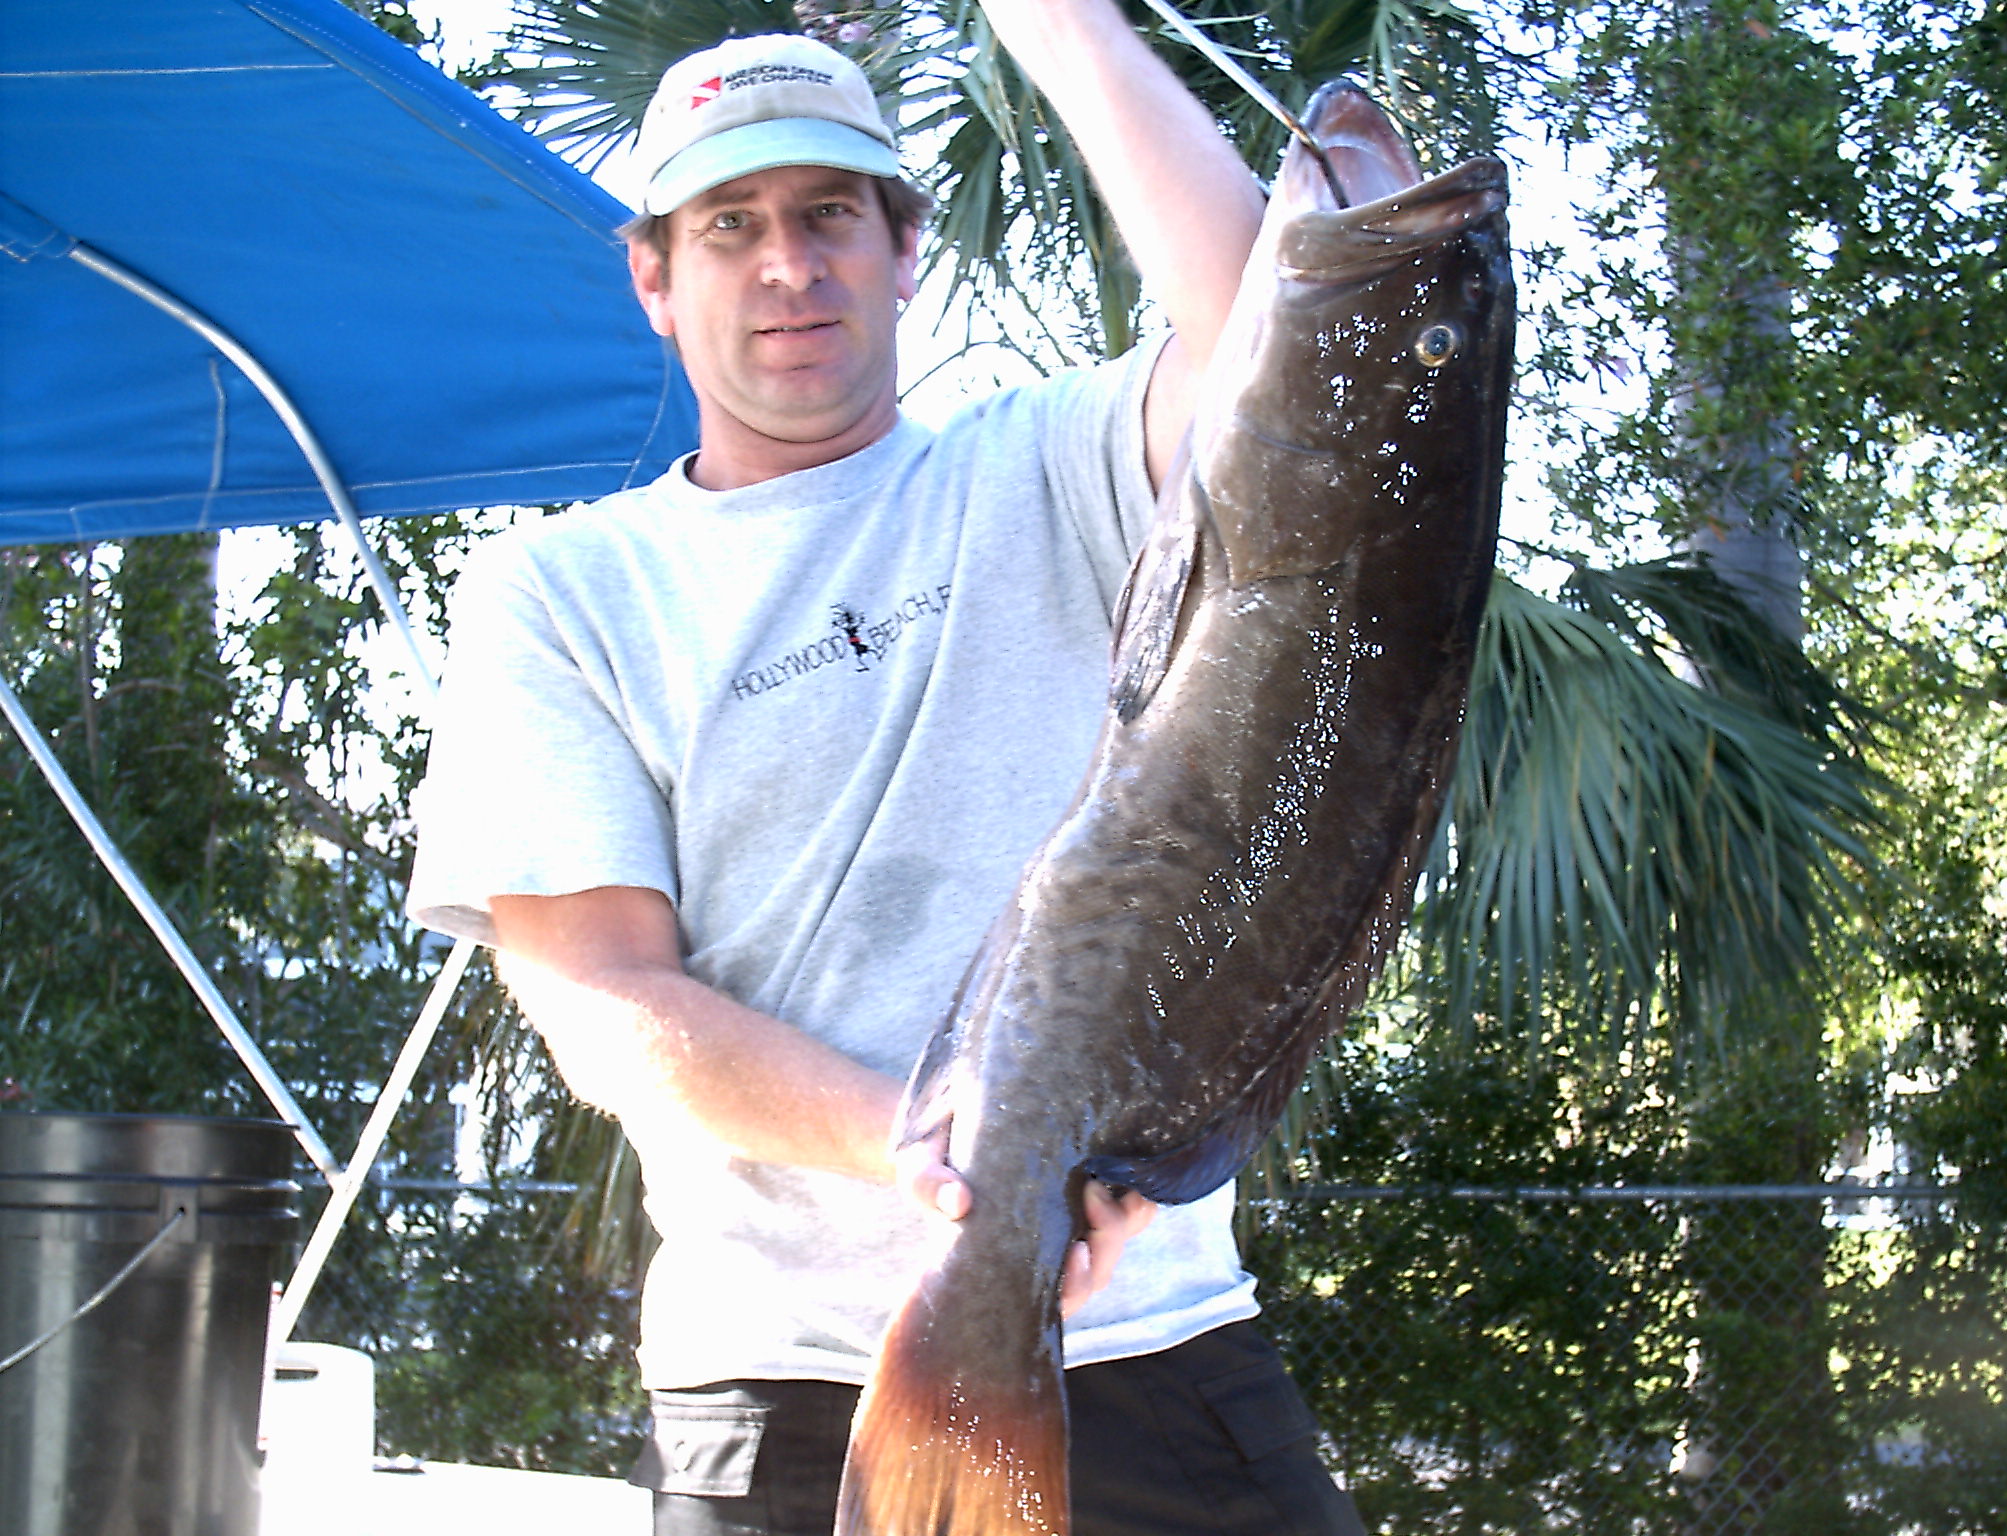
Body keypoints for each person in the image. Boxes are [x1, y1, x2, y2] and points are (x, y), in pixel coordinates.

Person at [407, 6, 1365, 1533]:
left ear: (904, 246)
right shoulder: (563, 594)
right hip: (783, 1387)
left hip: (1151, 1340)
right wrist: (957, 1166)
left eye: (830, 214)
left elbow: (1292, 332)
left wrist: (1065, 27)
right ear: (652, 276)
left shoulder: (1055, 465)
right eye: (731, 228)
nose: (790, 266)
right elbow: (602, 1003)